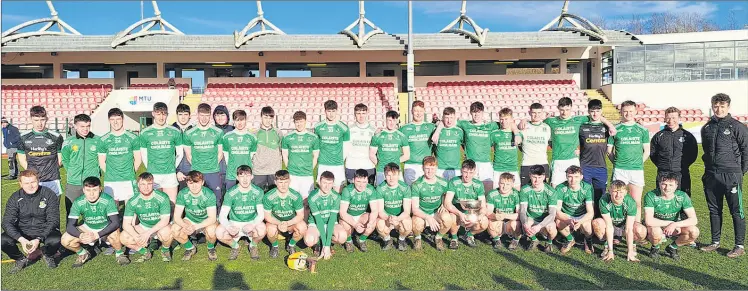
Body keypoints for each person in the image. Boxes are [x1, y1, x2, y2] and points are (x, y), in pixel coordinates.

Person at [699, 93, 748, 258]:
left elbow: (746, 150)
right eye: (716, 105)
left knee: (736, 210)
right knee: (714, 210)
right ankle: (715, 242)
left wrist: (740, 172)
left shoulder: (737, 126)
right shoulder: (707, 127)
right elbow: (706, 151)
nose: (718, 109)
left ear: (728, 107)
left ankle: (739, 245)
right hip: (712, 175)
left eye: (722, 106)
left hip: (731, 175)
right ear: (712, 106)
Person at [543, 98, 615, 187]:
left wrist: (610, 126)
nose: (564, 112)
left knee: (575, 188)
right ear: (558, 108)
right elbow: (537, 123)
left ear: (571, 108)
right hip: (558, 160)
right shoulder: (551, 121)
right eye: (562, 110)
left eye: (567, 109)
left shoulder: (578, 120)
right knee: (555, 187)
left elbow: (597, 116)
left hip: (573, 160)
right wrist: (524, 121)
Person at [1, 170, 60, 274]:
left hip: (42, 229)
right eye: (26, 183)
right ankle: (20, 259)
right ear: (20, 184)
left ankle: (46, 253)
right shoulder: (15, 197)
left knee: (56, 239)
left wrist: (38, 239)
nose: (30, 186)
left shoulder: (49, 194)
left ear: (38, 181)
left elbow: (53, 220)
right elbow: (6, 222)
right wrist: (21, 239)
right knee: (3, 240)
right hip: (23, 230)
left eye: (33, 182)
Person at [61, 177, 126, 267]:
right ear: (83, 190)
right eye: (88, 190)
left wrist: (97, 235)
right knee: (65, 240)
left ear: (100, 189)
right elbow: (70, 226)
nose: (91, 194)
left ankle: (119, 254)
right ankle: (83, 253)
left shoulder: (108, 200)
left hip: (105, 226)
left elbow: (115, 223)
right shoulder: (78, 202)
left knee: (116, 232)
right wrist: (81, 235)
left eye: (95, 190)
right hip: (88, 227)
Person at [608, 100, 650, 222]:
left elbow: (646, 151)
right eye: (625, 111)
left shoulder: (642, 130)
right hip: (620, 170)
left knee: (636, 201)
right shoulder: (615, 129)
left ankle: (636, 228)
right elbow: (609, 151)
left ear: (635, 111)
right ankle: (617, 228)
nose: (628, 114)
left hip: (636, 170)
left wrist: (638, 163)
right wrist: (617, 163)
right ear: (621, 112)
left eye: (631, 111)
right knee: (617, 200)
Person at [643, 173, 700, 260]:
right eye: (664, 184)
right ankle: (655, 248)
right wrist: (671, 223)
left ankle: (672, 248)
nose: (667, 188)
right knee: (656, 232)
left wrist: (674, 225)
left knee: (694, 232)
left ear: (676, 185)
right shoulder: (651, 195)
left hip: (673, 227)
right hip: (656, 225)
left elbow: (694, 220)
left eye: (671, 185)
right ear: (659, 183)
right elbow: (649, 221)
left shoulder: (682, 196)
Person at [120, 172, 174, 263]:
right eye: (143, 184)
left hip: (160, 226)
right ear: (138, 185)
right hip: (144, 226)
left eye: (149, 184)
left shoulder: (162, 197)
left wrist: (148, 233)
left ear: (153, 184)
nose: (146, 187)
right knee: (124, 237)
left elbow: (164, 220)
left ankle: (165, 250)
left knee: (166, 232)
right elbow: (126, 224)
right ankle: (145, 252)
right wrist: (136, 236)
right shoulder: (133, 201)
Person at [216, 165, 266, 260]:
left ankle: (253, 245)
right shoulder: (231, 193)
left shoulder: (258, 191)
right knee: (219, 232)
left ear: (252, 176)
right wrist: (228, 227)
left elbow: (261, 214)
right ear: (237, 177)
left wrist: (253, 224)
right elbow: (222, 215)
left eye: (247, 176)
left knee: (262, 229)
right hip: (235, 223)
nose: (245, 179)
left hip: (250, 222)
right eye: (242, 176)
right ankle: (235, 246)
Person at [138, 102, 184, 203]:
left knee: (172, 203)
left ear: (167, 114)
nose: (161, 117)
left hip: (170, 174)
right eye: (158, 114)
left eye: (164, 114)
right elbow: (144, 155)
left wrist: (172, 166)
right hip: (154, 174)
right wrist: (150, 168)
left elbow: (180, 153)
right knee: (155, 203)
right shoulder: (145, 133)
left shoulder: (175, 131)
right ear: (153, 113)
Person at [593, 180, 647, 262]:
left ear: (625, 192)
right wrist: (611, 251)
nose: (618, 195)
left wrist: (629, 252)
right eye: (615, 191)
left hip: (624, 226)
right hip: (612, 225)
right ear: (609, 191)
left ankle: (632, 245)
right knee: (597, 223)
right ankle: (607, 246)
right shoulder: (604, 200)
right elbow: (609, 226)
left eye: (621, 192)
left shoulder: (630, 202)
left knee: (641, 230)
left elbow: (629, 229)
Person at [183, 103, 225, 208]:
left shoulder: (218, 132)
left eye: (207, 115)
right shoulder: (189, 133)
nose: (204, 118)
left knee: (216, 199)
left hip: (213, 172)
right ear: (197, 115)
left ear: (210, 116)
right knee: (197, 199)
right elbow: (188, 155)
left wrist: (212, 165)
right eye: (202, 115)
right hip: (197, 172)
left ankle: (216, 220)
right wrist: (199, 166)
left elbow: (220, 152)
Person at [17, 106, 64, 196]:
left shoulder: (56, 137)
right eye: (36, 120)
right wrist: (32, 174)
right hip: (33, 180)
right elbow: (22, 159)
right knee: (33, 208)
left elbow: (60, 159)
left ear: (47, 119)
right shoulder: (23, 137)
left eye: (42, 120)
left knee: (53, 208)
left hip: (52, 179)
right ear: (31, 119)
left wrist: (50, 171)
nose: (39, 123)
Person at [171, 170, 218, 261]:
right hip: (190, 219)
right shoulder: (183, 194)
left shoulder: (209, 194)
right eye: (191, 183)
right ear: (187, 183)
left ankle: (210, 248)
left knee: (212, 230)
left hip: (205, 220)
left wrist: (195, 227)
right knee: (174, 229)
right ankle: (190, 248)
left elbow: (212, 218)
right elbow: (177, 217)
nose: (194, 186)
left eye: (197, 182)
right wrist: (186, 226)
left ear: (202, 182)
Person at [61, 114, 101, 219]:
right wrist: (72, 172)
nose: (85, 129)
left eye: (88, 126)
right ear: (75, 126)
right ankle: (71, 234)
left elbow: (102, 159)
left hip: (92, 183)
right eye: (82, 126)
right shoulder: (68, 142)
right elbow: (65, 159)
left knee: (92, 213)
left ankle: (92, 233)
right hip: (73, 182)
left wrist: (96, 172)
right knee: (71, 213)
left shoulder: (98, 140)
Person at [650, 107, 698, 195]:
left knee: (683, 201)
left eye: (674, 118)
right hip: (663, 174)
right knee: (663, 201)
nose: (671, 120)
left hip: (681, 174)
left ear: (679, 118)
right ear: (665, 119)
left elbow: (693, 154)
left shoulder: (687, 136)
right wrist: (663, 165)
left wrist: (682, 166)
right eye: (668, 118)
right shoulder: (659, 136)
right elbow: (653, 154)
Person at [99, 108, 141, 206]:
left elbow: (138, 159)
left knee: (131, 208)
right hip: (111, 180)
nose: (115, 122)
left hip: (128, 179)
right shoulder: (103, 139)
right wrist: (111, 173)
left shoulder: (133, 138)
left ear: (123, 119)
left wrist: (130, 172)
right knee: (112, 209)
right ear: (109, 120)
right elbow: (101, 161)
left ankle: (130, 222)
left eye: (118, 119)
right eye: (112, 120)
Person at [443, 160, 487, 249]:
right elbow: (447, 203)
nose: (467, 175)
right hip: (457, 212)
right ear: (461, 170)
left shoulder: (478, 184)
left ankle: (469, 235)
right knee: (451, 217)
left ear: (475, 172)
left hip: (471, 212)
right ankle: (454, 238)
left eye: (471, 172)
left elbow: (483, 206)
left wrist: (480, 215)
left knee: (484, 221)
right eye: (465, 172)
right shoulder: (454, 182)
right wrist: (460, 214)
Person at [410, 156, 452, 251]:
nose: (430, 171)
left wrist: (443, 203)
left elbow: (447, 195)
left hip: (436, 212)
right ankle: (417, 238)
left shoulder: (443, 182)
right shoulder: (416, 185)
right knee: (417, 223)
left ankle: (438, 238)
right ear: (422, 168)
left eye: (432, 168)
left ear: (436, 168)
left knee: (448, 219)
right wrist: (428, 217)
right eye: (427, 168)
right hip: (422, 212)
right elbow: (415, 209)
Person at [458, 102, 501, 191]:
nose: (476, 114)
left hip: (485, 164)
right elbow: (446, 121)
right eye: (474, 112)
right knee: (470, 191)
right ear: (470, 113)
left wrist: (518, 127)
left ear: (482, 113)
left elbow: (508, 123)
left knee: (487, 190)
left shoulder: (490, 125)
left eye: (479, 112)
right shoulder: (465, 124)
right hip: (470, 164)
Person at [263, 170, 307, 258]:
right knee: (269, 229)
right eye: (280, 182)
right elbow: (267, 216)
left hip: (291, 222)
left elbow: (300, 215)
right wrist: (279, 223)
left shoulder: (296, 196)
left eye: (286, 182)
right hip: (275, 222)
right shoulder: (268, 196)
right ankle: (274, 246)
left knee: (303, 227)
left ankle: (291, 245)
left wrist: (287, 223)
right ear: (275, 182)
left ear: (289, 181)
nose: (283, 185)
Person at [579, 99, 611, 214]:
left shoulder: (606, 128)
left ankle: (598, 221)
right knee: (585, 196)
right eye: (592, 111)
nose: (595, 114)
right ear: (588, 111)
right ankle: (585, 222)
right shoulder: (582, 127)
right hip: (585, 166)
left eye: (597, 111)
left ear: (601, 111)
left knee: (600, 196)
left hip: (601, 167)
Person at [304, 171, 345, 259]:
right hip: (315, 223)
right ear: (319, 182)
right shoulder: (312, 197)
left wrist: (326, 245)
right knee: (309, 241)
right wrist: (325, 246)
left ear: (333, 184)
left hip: (331, 222)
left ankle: (327, 243)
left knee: (342, 237)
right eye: (324, 183)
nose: (327, 186)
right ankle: (319, 243)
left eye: (330, 183)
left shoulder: (336, 196)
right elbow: (318, 221)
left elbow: (331, 220)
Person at [554, 166, 595, 255]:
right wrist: (568, 220)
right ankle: (570, 239)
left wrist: (580, 222)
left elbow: (590, 212)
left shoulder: (587, 188)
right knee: (558, 222)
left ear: (581, 177)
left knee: (587, 227)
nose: (573, 180)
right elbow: (557, 211)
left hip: (581, 215)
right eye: (570, 176)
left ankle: (587, 240)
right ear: (566, 177)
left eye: (576, 177)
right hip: (567, 215)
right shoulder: (560, 188)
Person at [519, 165, 558, 253]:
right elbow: (522, 211)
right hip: (531, 218)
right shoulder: (525, 190)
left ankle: (549, 242)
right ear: (530, 175)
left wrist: (539, 226)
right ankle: (534, 239)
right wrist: (524, 223)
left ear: (544, 177)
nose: (536, 180)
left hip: (545, 219)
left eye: (539, 177)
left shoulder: (551, 192)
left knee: (551, 228)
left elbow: (552, 214)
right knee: (526, 223)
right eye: (534, 177)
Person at [339, 169, 380, 252]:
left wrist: (370, 222)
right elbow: (343, 213)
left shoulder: (371, 189)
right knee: (344, 224)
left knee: (373, 220)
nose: (361, 185)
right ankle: (349, 241)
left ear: (367, 181)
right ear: (353, 180)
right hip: (348, 215)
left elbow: (375, 210)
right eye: (358, 181)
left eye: (364, 182)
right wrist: (355, 224)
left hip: (361, 215)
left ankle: (362, 240)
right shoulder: (347, 190)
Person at [282, 111, 319, 199]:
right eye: (297, 122)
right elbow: (284, 155)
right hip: (293, 175)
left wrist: (310, 169)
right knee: (292, 199)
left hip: (307, 175)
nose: (299, 124)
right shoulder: (287, 137)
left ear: (305, 121)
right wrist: (289, 168)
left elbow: (315, 156)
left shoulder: (313, 137)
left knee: (306, 201)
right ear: (294, 122)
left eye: (301, 121)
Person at [375, 163, 412, 251]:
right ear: (384, 175)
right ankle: (387, 240)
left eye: (394, 175)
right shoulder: (380, 189)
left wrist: (397, 219)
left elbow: (407, 211)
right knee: (379, 225)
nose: (391, 178)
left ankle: (401, 240)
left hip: (399, 217)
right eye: (388, 175)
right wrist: (388, 218)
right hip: (386, 217)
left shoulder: (405, 188)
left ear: (398, 174)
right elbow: (380, 211)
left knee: (407, 225)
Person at [314, 100, 350, 192]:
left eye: (333, 111)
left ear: (337, 111)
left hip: (337, 164)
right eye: (329, 111)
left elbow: (346, 147)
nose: (331, 114)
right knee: (323, 191)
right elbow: (316, 147)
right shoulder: (318, 127)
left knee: (338, 191)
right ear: (325, 111)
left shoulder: (344, 128)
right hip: (323, 163)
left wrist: (340, 159)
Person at [400, 101, 436, 185]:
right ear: (411, 111)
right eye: (416, 111)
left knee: (426, 193)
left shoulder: (431, 127)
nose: (418, 113)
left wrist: (439, 122)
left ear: (424, 111)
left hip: (427, 166)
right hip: (410, 165)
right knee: (410, 193)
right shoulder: (404, 128)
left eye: (420, 111)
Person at [370, 110, 410, 185]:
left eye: (394, 120)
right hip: (381, 171)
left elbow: (407, 155)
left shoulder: (402, 136)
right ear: (386, 120)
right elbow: (371, 154)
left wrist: (396, 162)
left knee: (398, 193)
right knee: (381, 192)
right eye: (389, 120)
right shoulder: (377, 136)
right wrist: (379, 164)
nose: (391, 123)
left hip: (396, 171)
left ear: (397, 121)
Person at [222, 110, 258, 191]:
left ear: (246, 120)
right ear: (234, 121)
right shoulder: (227, 137)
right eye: (237, 120)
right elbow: (226, 155)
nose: (240, 123)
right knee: (231, 198)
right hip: (232, 173)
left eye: (242, 120)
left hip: (246, 174)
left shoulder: (252, 137)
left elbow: (251, 155)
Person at [485, 173, 521, 251]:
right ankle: (496, 239)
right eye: (502, 183)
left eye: (508, 184)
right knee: (489, 221)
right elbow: (488, 213)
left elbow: (519, 215)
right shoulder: (492, 194)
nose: (504, 187)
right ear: (498, 183)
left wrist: (504, 215)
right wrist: (495, 216)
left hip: (510, 223)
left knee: (516, 223)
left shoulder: (516, 194)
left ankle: (515, 240)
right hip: (499, 222)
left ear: (512, 185)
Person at [519, 103, 551, 186]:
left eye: (539, 113)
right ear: (529, 113)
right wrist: (523, 120)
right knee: (525, 191)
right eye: (534, 113)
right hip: (527, 164)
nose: (536, 115)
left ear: (542, 113)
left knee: (543, 191)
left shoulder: (547, 127)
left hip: (542, 163)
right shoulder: (523, 126)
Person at [252, 106, 283, 191]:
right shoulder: (255, 134)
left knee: (274, 197)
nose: (268, 120)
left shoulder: (278, 133)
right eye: (265, 117)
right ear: (261, 117)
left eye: (270, 117)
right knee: (258, 197)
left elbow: (282, 151)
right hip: (258, 171)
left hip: (274, 170)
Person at [345, 104, 377, 185]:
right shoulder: (348, 130)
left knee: (369, 193)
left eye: (363, 113)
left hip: (368, 166)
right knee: (352, 192)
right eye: (358, 113)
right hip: (352, 165)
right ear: (354, 114)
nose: (361, 116)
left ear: (367, 113)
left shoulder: (374, 130)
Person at [491, 108, 521, 190]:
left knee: (516, 193)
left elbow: (520, 140)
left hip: (513, 168)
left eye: (506, 119)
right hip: (498, 168)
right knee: (496, 193)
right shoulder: (494, 134)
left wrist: (516, 132)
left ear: (512, 119)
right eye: (501, 119)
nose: (503, 121)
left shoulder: (516, 134)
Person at [431, 107, 464, 181]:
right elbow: (432, 146)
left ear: (455, 117)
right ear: (442, 118)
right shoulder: (436, 130)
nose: (449, 121)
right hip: (439, 168)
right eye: (447, 118)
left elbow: (465, 145)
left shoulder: (459, 131)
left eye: (451, 117)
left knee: (454, 192)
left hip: (455, 168)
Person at [213, 104, 234, 195]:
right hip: (215, 171)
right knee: (216, 198)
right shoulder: (210, 130)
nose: (220, 118)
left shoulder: (233, 130)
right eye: (217, 115)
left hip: (230, 171)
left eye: (222, 115)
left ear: (227, 117)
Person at [173, 104, 193, 191]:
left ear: (190, 116)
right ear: (176, 115)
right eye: (180, 114)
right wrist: (176, 171)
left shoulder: (194, 130)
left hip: (192, 171)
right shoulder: (171, 130)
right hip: (175, 173)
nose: (183, 117)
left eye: (185, 114)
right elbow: (167, 155)